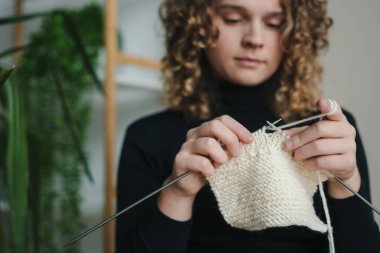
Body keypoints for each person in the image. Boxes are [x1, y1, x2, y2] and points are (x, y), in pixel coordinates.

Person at [115, 0, 380, 252]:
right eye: (233, 19)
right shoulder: (148, 137)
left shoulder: (330, 132)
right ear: (196, 24)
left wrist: (346, 179)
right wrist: (177, 192)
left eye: (275, 23)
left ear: (296, 31)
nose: (254, 39)